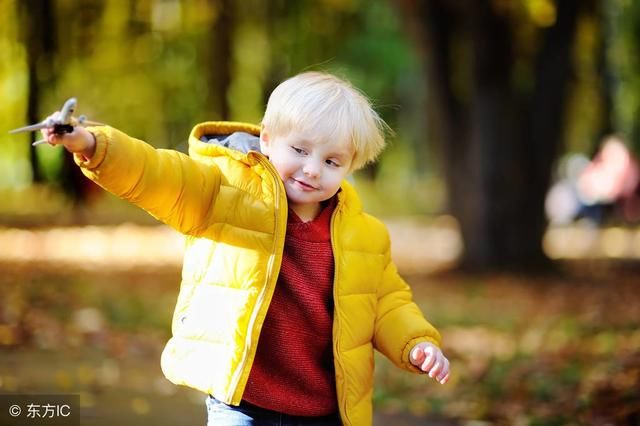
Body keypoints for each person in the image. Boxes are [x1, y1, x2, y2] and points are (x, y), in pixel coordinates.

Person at [41, 71, 450, 426]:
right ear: (268, 140)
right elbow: (157, 173)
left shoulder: (364, 234)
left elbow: (387, 302)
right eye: (301, 150)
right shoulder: (223, 191)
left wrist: (416, 343)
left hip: (324, 409)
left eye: (331, 161)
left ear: (351, 166)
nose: (312, 168)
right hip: (242, 402)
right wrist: (93, 144)